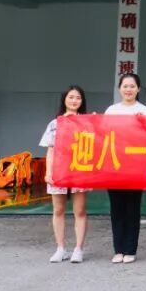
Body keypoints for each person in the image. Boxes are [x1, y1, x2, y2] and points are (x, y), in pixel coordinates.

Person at [105, 73, 146, 264]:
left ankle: (130, 249)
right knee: (117, 209)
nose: (128, 89)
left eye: (132, 86)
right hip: (114, 166)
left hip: (135, 167)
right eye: (125, 86)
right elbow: (102, 134)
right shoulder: (112, 110)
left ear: (138, 89)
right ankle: (118, 250)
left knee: (132, 209)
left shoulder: (144, 111)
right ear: (119, 88)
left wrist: (144, 124)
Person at [40, 86, 90, 264]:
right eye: (71, 97)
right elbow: (50, 151)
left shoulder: (87, 122)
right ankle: (60, 248)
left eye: (78, 98)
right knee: (58, 210)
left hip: (79, 170)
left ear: (82, 101)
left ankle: (78, 249)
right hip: (59, 170)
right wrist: (48, 172)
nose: (74, 100)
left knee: (80, 211)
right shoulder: (55, 123)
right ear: (64, 100)